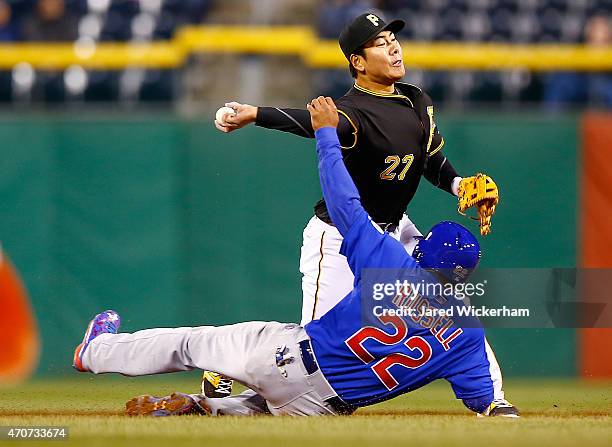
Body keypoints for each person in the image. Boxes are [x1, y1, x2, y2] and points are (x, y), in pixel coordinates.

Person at [73, 97, 516, 418]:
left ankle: (96, 352)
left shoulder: (389, 264)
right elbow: (482, 396)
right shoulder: (467, 334)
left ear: (421, 252)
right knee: (275, 408)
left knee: (191, 345)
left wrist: (326, 136)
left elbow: (344, 204)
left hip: (287, 358)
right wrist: (498, 410)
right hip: (324, 406)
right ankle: (207, 408)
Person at [209, 12, 515, 416]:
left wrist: (460, 185)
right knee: (314, 346)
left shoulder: (417, 101)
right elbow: (312, 121)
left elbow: (431, 160)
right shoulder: (353, 111)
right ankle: (225, 370)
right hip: (338, 237)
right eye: (380, 42)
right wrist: (255, 113)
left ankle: (493, 400)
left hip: (395, 232)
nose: (393, 46)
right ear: (358, 61)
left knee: (450, 308)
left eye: (393, 38)